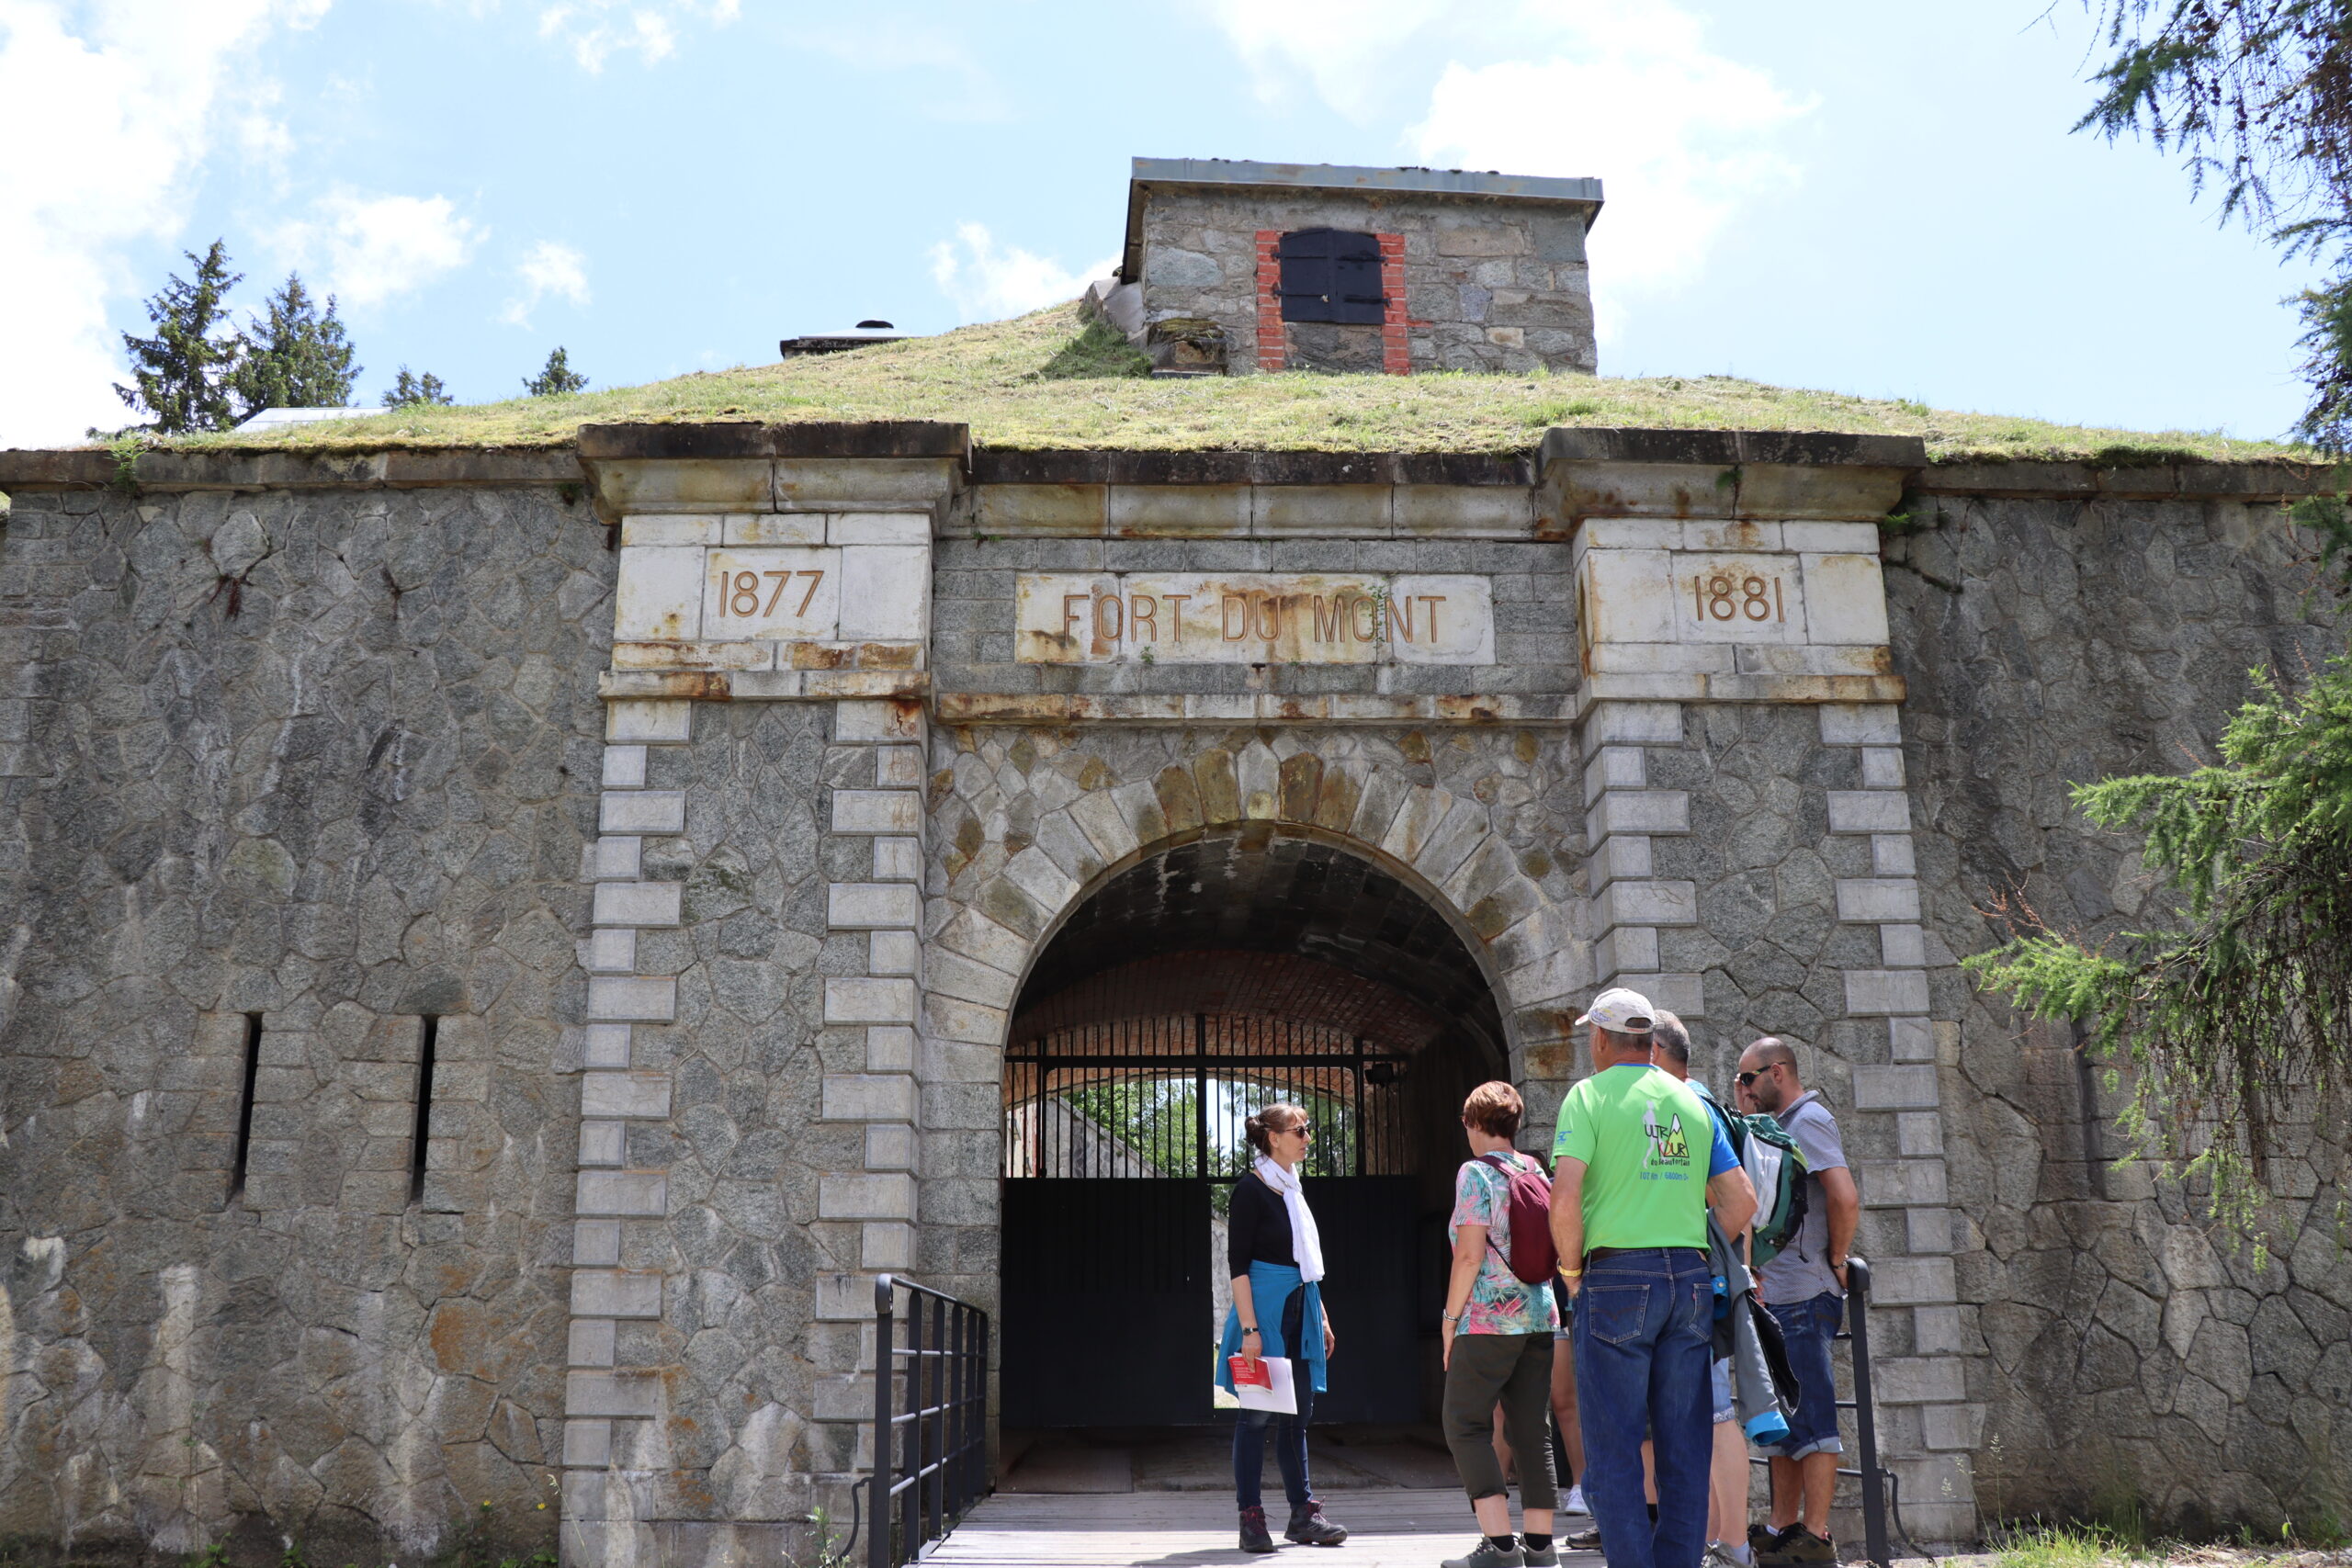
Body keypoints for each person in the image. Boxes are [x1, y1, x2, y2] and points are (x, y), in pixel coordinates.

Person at [1550, 988, 1758, 1568]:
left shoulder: (1587, 1097)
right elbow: (1742, 1200)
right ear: (1648, 1041)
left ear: (1599, 1038)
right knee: (1684, 1447)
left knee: (1614, 1449)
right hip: (1689, 1279)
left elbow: (1564, 1201)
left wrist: (1571, 1273)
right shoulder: (1692, 1103)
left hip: (1615, 1277)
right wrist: (1696, 1238)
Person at [1734, 1039, 1860, 1568]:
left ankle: (1815, 1533)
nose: (1740, 1088)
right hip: (1778, 1296)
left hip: (1807, 1294)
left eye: (1747, 1079)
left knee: (1814, 1416)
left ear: (1777, 1072)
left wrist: (1837, 1256)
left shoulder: (1808, 1120)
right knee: (1783, 1422)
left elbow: (1844, 1195)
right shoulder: (1774, 1125)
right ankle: (1784, 1528)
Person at [1650, 1010, 1758, 1568]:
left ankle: (1734, 1545)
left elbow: (1740, 1203)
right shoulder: (1701, 1105)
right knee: (1706, 1416)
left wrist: (1694, 1246)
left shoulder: (1682, 1106)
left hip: (1696, 1282)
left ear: (1655, 1053)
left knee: (1715, 1416)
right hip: (1706, 1281)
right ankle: (1718, 1542)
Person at [1440, 1082, 1562, 1568]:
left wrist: (1450, 1319)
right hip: (1539, 1318)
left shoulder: (1474, 1173)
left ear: (1473, 1123)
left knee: (1464, 1423)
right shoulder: (1535, 1169)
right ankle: (1540, 1547)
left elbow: (1470, 1254)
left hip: (1488, 1319)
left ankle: (1500, 1546)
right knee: (1532, 1428)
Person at [1217, 1101, 1348, 1554]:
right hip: (1264, 1315)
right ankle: (1250, 1519)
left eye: (1307, 1129)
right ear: (1273, 1138)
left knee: (1299, 1418)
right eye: (1300, 1130)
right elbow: (1237, 1268)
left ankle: (1302, 1515)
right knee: (1255, 1418)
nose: (1308, 1137)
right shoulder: (1251, 1191)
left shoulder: (1293, 1188)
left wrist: (1323, 1317)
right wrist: (1250, 1330)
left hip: (1302, 1309)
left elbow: (1305, 1265)